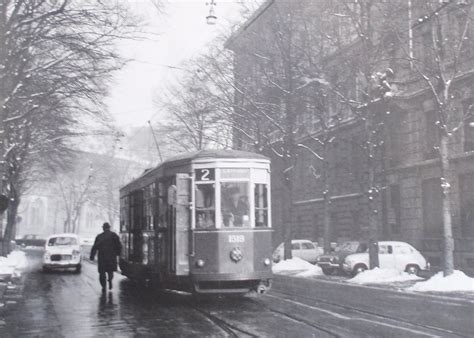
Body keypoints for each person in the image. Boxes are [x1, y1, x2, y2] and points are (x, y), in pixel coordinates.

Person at [90, 222, 122, 292]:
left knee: (102, 273)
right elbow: (119, 245)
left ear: (103, 228)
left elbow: (95, 247)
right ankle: (110, 280)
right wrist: (118, 254)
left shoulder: (99, 236)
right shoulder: (114, 235)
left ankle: (103, 286)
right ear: (109, 228)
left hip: (102, 258)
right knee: (110, 271)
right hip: (111, 257)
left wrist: (92, 256)